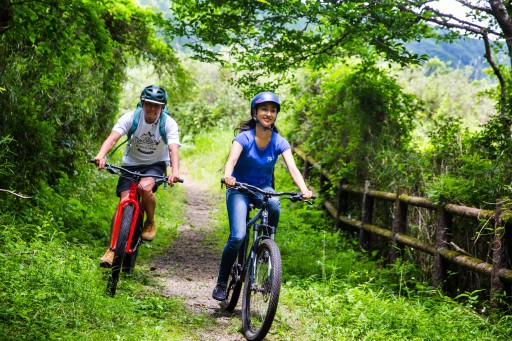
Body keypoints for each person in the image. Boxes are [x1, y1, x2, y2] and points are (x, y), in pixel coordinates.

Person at [212, 91, 313, 301]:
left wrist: (304, 189)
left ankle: (266, 246)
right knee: (238, 236)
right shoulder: (244, 138)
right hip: (239, 189)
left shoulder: (279, 141)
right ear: (255, 112)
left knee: (274, 203)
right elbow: (231, 161)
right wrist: (228, 176)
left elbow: (293, 168)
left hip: (263, 188)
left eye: (273, 110)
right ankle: (222, 282)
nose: (269, 113)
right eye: (264, 109)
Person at [93, 85, 181, 268]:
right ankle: (112, 248)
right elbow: (113, 138)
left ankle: (149, 221)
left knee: (145, 187)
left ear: (163, 107)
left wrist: (175, 172)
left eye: (157, 105)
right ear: (142, 103)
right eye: (149, 104)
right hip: (131, 164)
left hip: (155, 165)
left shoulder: (169, 123)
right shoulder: (131, 117)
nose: (152, 108)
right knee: (124, 200)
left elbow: (173, 149)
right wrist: (101, 155)